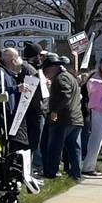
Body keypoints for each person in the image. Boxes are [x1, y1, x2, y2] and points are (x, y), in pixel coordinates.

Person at [40, 53, 84, 182]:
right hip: (76, 119)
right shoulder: (71, 77)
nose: (46, 74)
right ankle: (76, 174)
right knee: (74, 148)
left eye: (47, 71)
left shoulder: (61, 78)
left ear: (54, 67)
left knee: (54, 147)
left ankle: (51, 173)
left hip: (63, 119)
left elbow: (65, 95)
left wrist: (54, 111)